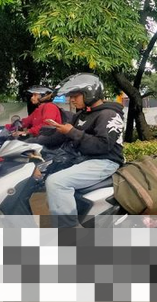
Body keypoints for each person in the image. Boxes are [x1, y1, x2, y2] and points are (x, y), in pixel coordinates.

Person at [34, 73, 125, 228]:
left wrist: (72, 132)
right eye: (71, 96)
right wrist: (29, 143)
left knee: (56, 183)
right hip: (83, 160)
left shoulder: (109, 114)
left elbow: (103, 146)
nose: (71, 100)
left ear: (89, 93)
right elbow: (58, 137)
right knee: (48, 183)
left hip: (104, 161)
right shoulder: (81, 115)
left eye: (75, 96)